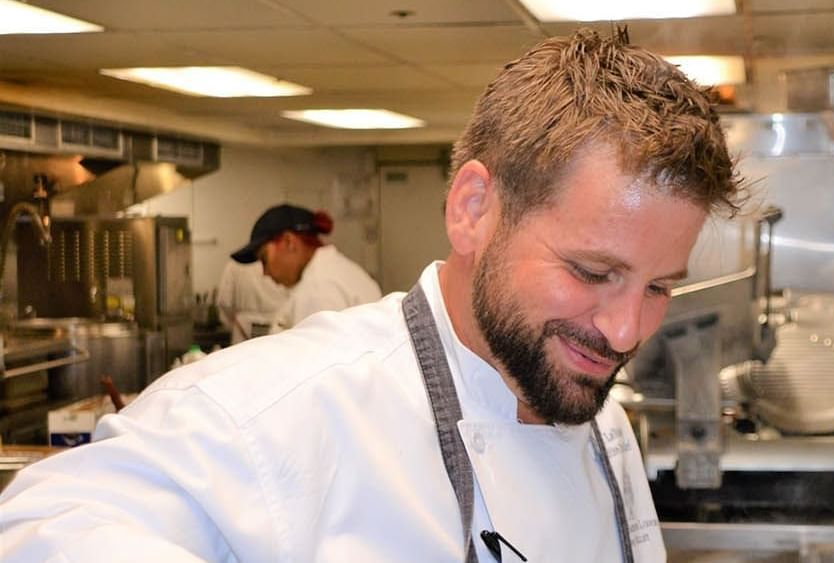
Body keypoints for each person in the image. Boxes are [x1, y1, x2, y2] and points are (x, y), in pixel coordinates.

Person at [0, 28, 742, 562]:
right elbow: (44, 521)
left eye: (659, 287)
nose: (623, 330)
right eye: (589, 271)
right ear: (473, 209)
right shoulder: (288, 408)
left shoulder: (599, 420)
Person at [229, 203, 382, 332]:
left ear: (289, 242)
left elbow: (317, 364)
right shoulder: (334, 270)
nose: (265, 273)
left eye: (264, 259)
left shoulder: (319, 288)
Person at [216, 259, 290, 343]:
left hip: (242, 329)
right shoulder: (282, 261)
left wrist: (232, 321)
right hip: (278, 327)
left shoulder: (236, 263)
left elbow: (224, 301)